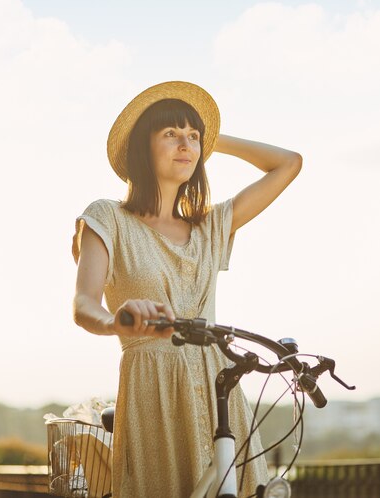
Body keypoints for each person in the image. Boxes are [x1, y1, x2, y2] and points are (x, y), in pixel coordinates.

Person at [72, 80, 302, 498]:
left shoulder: (209, 225)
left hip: (219, 386)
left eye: (192, 137)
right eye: (171, 134)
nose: (186, 145)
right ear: (144, 147)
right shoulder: (108, 217)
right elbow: (84, 304)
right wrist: (118, 320)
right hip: (152, 390)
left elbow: (288, 163)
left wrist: (210, 136)